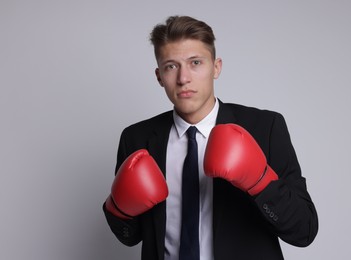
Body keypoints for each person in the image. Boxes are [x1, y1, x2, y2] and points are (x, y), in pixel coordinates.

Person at [103, 15, 318, 260]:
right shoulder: (137, 138)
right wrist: (118, 210)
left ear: (216, 67)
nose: (183, 78)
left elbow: (305, 231)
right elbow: (129, 237)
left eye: (195, 63)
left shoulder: (264, 128)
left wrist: (260, 181)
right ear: (159, 76)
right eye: (171, 66)